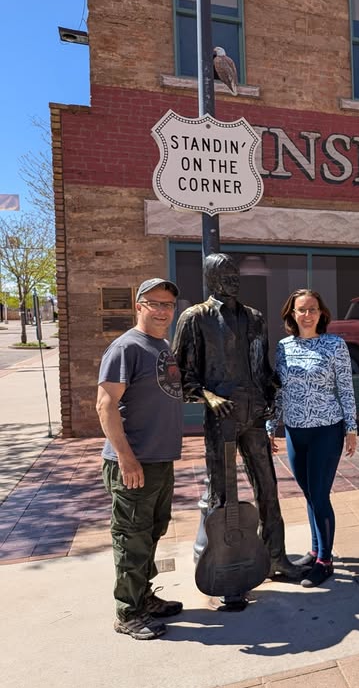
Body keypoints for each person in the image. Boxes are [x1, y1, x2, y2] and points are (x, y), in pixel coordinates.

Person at [172, 253, 305, 591]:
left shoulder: (255, 317)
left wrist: (283, 386)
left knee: (269, 490)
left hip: (255, 414)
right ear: (209, 278)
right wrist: (207, 396)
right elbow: (180, 377)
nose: (233, 278)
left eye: (235, 272)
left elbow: (262, 368)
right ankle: (221, 561)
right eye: (224, 273)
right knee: (221, 492)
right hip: (223, 418)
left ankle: (276, 556)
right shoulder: (194, 318)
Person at [97, 278, 184, 640]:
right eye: (155, 303)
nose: (163, 311)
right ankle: (128, 612)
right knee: (131, 538)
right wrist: (126, 457)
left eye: (168, 305)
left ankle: (143, 597)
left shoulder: (161, 345)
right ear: (139, 305)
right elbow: (105, 405)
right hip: (134, 463)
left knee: (151, 533)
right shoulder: (125, 348)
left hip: (160, 460)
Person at [268, 289, 358, 588]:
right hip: (295, 431)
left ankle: (325, 561)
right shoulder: (283, 347)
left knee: (319, 495)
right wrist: (271, 427)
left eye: (313, 309)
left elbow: (345, 388)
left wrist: (351, 428)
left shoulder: (335, 345)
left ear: (322, 314)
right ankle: (315, 549)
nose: (307, 315)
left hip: (326, 430)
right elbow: (279, 391)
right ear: (291, 314)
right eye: (301, 310)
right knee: (309, 494)